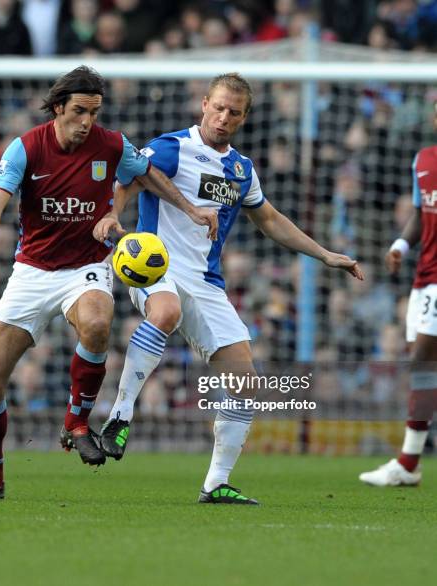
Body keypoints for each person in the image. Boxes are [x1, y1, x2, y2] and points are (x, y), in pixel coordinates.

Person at [0, 66, 217, 499]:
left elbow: (146, 174)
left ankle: (76, 420)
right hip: (31, 271)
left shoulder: (110, 144)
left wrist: (190, 209)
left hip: (85, 267)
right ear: (58, 109)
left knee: (96, 321)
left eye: (94, 111)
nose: (87, 121)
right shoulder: (26, 148)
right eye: (79, 111)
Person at [95, 72, 364, 504]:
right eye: (217, 107)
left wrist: (326, 255)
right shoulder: (171, 147)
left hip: (205, 281)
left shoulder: (242, 170)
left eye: (233, 112)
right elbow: (129, 178)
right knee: (165, 312)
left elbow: (271, 220)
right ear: (204, 103)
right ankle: (120, 416)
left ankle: (216, 483)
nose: (223, 117)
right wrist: (112, 214)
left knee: (245, 380)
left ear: (243, 118)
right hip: (154, 266)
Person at [359, 101, 437, 487]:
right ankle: (409, 464)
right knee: (421, 363)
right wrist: (401, 246)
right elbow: (422, 213)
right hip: (425, 276)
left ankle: (407, 463)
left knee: (424, 356)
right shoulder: (423, 159)